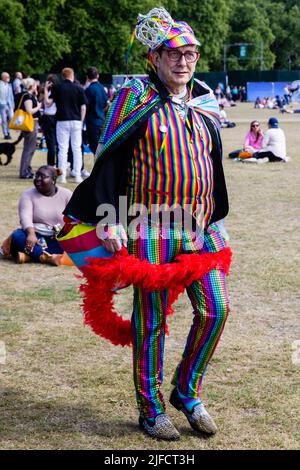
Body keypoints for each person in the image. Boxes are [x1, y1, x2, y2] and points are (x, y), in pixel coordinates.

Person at [62, 7, 231, 441]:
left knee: (216, 309)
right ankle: (150, 406)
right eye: (173, 54)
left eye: (190, 53)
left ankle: (186, 392)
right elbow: (111, 161)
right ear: (154, 58)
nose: (183, 61)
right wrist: (111, 217)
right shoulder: (135, 98)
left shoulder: (205, 102)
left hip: (198, 228)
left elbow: (211, 165)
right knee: (151, 320)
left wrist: (215, 217)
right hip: (148, 227)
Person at [8, 166, 72, 264]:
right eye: (36, 176)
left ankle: (30, 256)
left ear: (53, 180)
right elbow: (25, 217)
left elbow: (74, 218)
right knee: (17, 236)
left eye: (42, 177)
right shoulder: (28, 194)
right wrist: (31, 234)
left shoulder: (66, 194)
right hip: (35, 236)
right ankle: (44, 257)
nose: (37, 179)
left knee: (70, 242)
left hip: (57, 237)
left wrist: (63, 234)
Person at [44, 67, 88, 184]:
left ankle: (62, 176)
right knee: (77, 148)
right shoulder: (78, 88)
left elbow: (48, 104)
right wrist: (81, 121)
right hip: (76, 121)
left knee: (62, 149)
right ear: (72, 75)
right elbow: (83, 107)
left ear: (63, 76)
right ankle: (77, 175)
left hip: (62, 120)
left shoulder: (57, 88)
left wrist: (45, 90)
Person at [16, 77, 42, 179]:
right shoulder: (27, 96)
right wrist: (39, 107)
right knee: (28, 149)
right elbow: (29, 111)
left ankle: (27, 169)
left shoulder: (30, 95)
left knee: (31, 148)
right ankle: (24, 172)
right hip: (30, 124)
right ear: (31, 85)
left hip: (32, 124)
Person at [84, 66, 109, 155]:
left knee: (94, 147)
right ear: (97, 76)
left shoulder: (89, 90)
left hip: (92, 122)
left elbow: (85, 106)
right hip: (102, 120)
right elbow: (106, 104)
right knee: (101, 146)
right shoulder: (102, 88)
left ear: (87, 77)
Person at [42, 74, 58, 166]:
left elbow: (48, 103)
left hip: (51, 117)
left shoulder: (54, 91)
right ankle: (52, 163)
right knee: (50, 142)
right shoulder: (49, 91)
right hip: (48, 117)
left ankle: (51, 163)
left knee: (51, 143)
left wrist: (45, 89)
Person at [0, 72, 15, 140]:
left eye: (8, 77)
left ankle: (8, 131)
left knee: (11, 118)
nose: (8, 78)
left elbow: (11, 95)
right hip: (2, 104)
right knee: (3, 120)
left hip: (9, 104)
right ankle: (6, 133)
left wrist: (13, 104)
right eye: (7, 77)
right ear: (3, 77)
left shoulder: (9, 85)